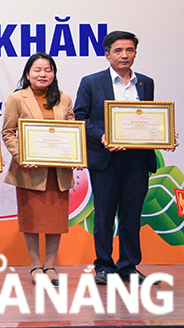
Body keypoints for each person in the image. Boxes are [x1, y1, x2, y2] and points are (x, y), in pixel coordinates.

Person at [74, 31, 175, 284]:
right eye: (118, 51)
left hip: (137, 161)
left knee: (132, 215)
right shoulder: (91, 82)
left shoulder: (145, 83)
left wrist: (164, 134)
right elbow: (80, 119)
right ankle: (104, 267)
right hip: (106, 160)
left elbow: (149, 118)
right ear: (107, 55)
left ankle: (129, 266)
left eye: (129, 50)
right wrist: (103, 137)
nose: (124, 55)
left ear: (135, 54)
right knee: (105, 215)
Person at [1, 53, 75, 287]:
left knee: (55, 222)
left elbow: (73, 132)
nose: (43, 74)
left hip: (58, 171)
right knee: (31, 221)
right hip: (29, 170)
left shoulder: (65, 99)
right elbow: (8, 132)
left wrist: (75, 153)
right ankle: (35, 266)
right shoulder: (17, 98)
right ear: (27, 74)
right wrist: (22, 156)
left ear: (54, 74)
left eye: (48, 70)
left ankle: (51, 266)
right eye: (37, 70)